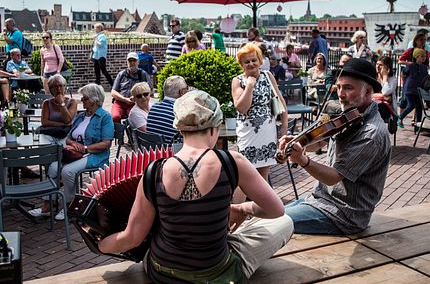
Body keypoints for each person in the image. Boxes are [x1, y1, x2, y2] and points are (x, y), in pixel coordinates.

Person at [98, 90, 293, 283]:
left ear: (179, 128)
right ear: (216, 126)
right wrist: (241, 208)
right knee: (285, 222)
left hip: (162, 272)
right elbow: (276, 209)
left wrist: (99, 245)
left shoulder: (154, 171)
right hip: (217, 273)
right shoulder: (232, 162)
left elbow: (131, 238)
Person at [279, 58, 391, 235]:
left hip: (344, 215)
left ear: (368, 91)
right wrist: (297, 143)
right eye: (338, 87)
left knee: (273, 222)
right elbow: (320, 142)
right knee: (269, 212)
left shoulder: (371, 134)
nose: (340, 94)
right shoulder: (348, 116)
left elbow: (333, 177)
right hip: (321, 199)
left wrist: (302, 160)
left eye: (348, 88)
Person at [29, 83, 114, 221]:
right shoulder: (81, 116)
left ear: (94, 100)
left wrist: (85, 148)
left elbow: (106, 143)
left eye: (85, 98)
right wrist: (73, 143)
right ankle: (47, 205)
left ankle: (71, 206)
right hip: (74, 153)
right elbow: (68, 137)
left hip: (94, 155)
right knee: (53, 168)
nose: (82, 101)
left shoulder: (105, 117)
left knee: (67, 171)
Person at [232, 43, 288, 195]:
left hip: (267, 133)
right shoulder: (237, 81)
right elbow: (242, 108)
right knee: (243, 175)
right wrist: (249, 86)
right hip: (248, 133)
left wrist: (284, 126)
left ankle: (261, 208)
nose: (251, 64)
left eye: (254, 60)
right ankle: (237, 210)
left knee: (263, 174)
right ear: (241, 64)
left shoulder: (268, 76)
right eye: (247, 61)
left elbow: (280, 101)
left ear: (260, 60)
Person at [111, 52, 152, 123]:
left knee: (135, 118)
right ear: (127, 62)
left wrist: (138, 98)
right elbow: (113, 92)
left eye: (134, 60)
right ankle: (117, 133)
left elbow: (150, 90)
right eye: (130, 61)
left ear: (138, 62)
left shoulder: (143, 74)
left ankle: (133, 133)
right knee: (115, 117)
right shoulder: (121, 74)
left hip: (135, 103)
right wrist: (124, 99)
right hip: (120, 102)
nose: (132, 63)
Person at [147, 75, 189, 143]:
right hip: (171, 152)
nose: (187, 91)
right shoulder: (179, 113)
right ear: (182, 92)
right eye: (187, 88)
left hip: (153, 150)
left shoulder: (153, 108)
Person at [397, 48, 428, 128]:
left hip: (418, 90)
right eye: (421, 56)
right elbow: (403, 73)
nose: (423, 58)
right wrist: (404, 83)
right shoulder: (410, 65)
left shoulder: (424, 68)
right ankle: (400, 117)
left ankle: (419, 124)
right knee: (411, 105)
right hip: (409, 89)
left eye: (424, 56)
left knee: (419, 107)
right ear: (416, 56)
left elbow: (425, 78)